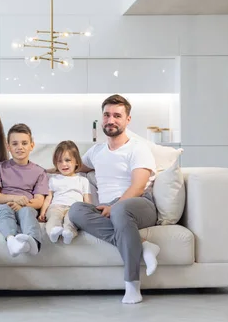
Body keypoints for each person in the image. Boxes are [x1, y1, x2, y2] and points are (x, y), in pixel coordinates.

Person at [68, 94, 161, 304]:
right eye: (107, 115)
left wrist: (115, 206)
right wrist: (37, 170)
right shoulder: (97, 151)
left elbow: (138, 187)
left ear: (128, 120)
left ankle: (132, 286)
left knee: (120, 210)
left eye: (117, 116)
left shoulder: (138, 148)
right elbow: (72, 167)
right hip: (108, 209)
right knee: (76, 210)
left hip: (139, 205)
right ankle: (143, 246)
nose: (111, 120)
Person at [0, 123, 49, 257]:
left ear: (31, 145)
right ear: (8, 147)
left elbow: (38, 201)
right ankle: (11, 240)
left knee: (27, 212)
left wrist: (21, 204)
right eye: (15, 144)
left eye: (24, 143)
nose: (20, 147)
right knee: (4, 209)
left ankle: (33, 243)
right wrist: (14, 198)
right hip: (1, 206)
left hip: (25, 206)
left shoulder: (39, 172)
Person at [38, 140, 91, 245]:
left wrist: (88, 213)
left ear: (76, 161)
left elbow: (87, 200)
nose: (64, 164)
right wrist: (42, 212)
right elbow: (48, 198)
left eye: (67, 160)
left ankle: (69, 233)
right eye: (60, 161)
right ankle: (53, 231)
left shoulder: (82, 180)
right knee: (53, 217)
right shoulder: (53, 179)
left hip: (74, 208)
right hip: (55, 206)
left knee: (71, 220)